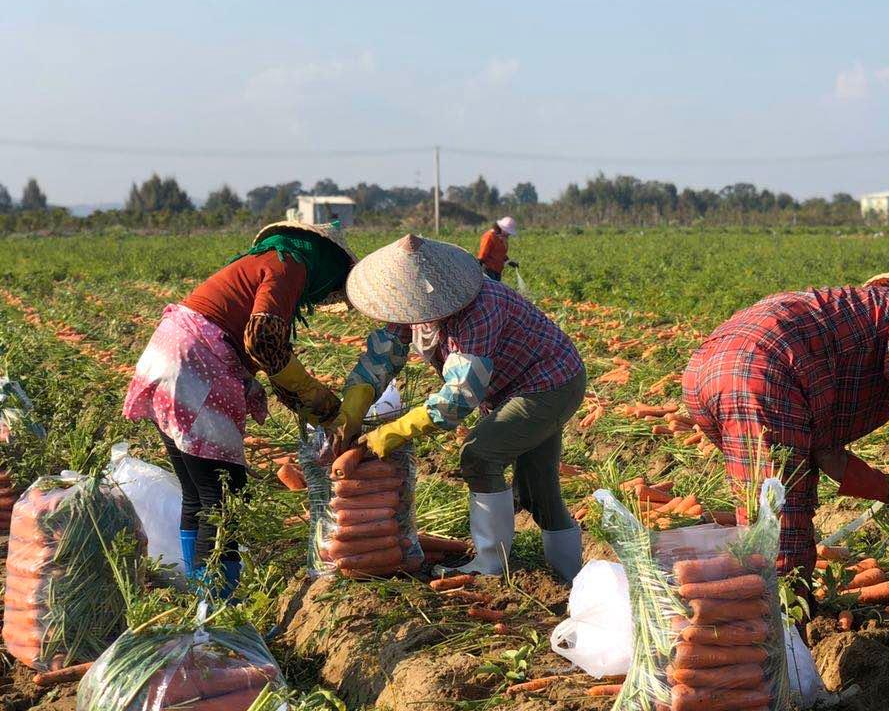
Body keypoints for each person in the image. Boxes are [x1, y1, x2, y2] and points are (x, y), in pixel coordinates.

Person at [682, 274, 889, 578]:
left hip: (704, 369)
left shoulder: (866, 316)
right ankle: (780, 606)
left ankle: (745, 599)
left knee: (764, 505)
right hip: (762, 373)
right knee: (780, 532)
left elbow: (823, 453)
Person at [333, 234, 586, 580]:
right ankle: (569, 579)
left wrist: (393, 432)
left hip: (549, 383)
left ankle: (490, 566)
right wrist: (352, 409)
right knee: (536, 490)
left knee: (480, 455)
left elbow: (459, 396)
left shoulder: (480, 309)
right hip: (512, 388)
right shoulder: (412, 303)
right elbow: (383, 355)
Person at [124, 221, 355, 591]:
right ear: (328, 265)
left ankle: (199, 592)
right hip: (197, 368)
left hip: (167, 357)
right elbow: (263, 338)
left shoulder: (265, 262)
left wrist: (300, 397)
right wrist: (314, 396)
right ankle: (216, 603)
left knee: (199, 492)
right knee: (224, 497)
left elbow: (265, 347)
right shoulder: (290, 267)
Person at [476, 216, 517, 281]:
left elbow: (500, 253)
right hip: (488, 270)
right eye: (508, 232)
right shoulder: (489, 236)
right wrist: (478, 266)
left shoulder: (501, 238)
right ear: (502, 228)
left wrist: (509, 261)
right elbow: (483, 253)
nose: (509, 234)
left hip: (497, 271)